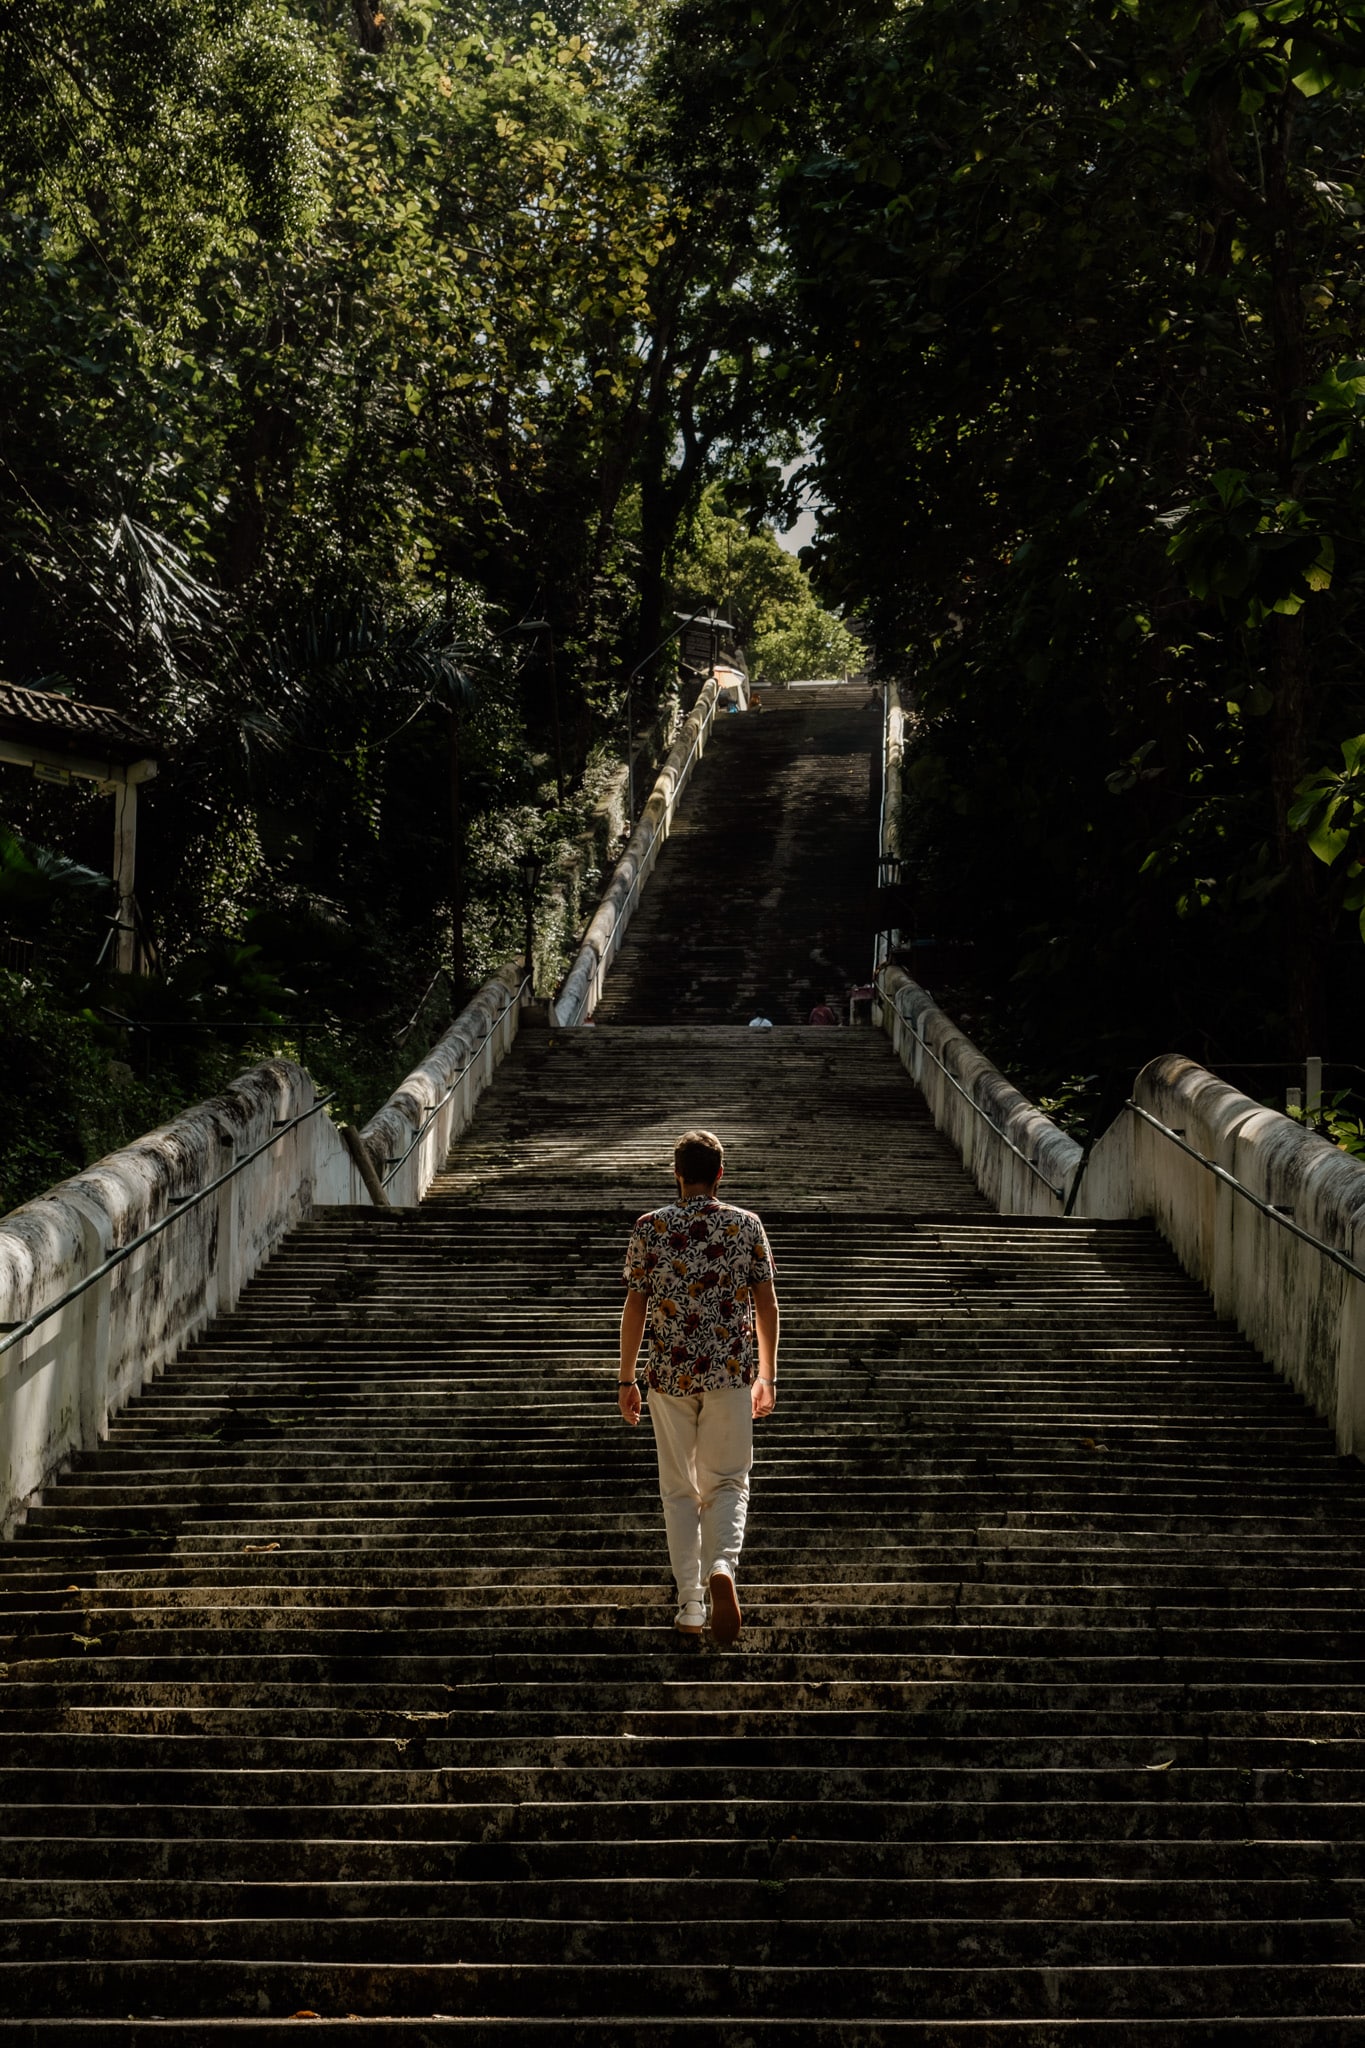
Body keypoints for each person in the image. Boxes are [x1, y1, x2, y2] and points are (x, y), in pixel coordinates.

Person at [618, 1129, 779, 1642]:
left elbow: (636, 1306)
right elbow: (767, 1304)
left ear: (677, 1174)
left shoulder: (650, 1228)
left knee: (679, 1491)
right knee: (727, 1483)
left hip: (669, 1377)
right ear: (720, 1174)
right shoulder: (746, 1225)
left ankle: (690, 1603)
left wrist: (626, 1378)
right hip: (730, 1375)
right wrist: (768, 1375)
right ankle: (722, 1567)